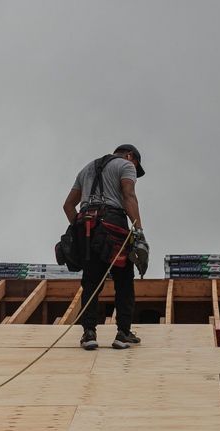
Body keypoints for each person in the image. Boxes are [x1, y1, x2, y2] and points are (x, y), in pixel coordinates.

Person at [62, 144, 146, 350]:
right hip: (112, 223)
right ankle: (123, 333)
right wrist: (139, 232)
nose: (134, 168)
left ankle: (89, 333)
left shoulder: (87, 168)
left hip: (86, 225)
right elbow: (129, 196)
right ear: (130, 156)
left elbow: (68, 206)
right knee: (124, 279)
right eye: (136, 164)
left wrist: (79, 229)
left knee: (91, 282)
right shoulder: (126, 165)